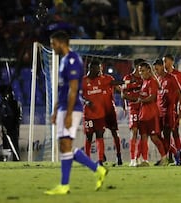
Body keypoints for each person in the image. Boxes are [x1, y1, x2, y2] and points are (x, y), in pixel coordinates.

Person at [45, 31, 107, 195]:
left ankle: (64, 185)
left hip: (72, 108)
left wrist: (69, 114)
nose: (52, 47)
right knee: (64, 145)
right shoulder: (64, 61)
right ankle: (98, 169)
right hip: (64, 107)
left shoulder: (72, 60)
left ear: (61, 42)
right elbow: (63, 89)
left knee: (65, 145)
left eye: (53, 44)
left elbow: (73, 89)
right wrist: (56, 109)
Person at [82, 60, 123, 166]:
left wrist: (127, 83)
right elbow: (79, 94)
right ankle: (89, 159)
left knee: (105, 134)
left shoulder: (105, 79)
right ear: (91, 69)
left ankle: (114, 157)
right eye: (98, 69)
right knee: (89, 137)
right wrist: (86, 101)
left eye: (100, 68)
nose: (100, 71)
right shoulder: (84, 81)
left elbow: (117, 84)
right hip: (89, 114)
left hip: (107, 112)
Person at [137, 62, 168, 166]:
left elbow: (152, 97)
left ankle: (164, 158)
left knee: (154, 138)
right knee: (143, 138)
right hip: (143, 114)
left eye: (143, 70)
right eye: (140, 71)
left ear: (149, 70)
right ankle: (145, 160)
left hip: (151, 114)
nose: (141, 73)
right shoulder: (144, 81)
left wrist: (140, 100)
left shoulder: (152, 81)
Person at [153, 58, 181, 166]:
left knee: (167, 135)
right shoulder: (157, 79)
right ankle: (172, 155)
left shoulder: (171, 78)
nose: (156, 70)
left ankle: (169, 158)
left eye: (157, 67)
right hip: (159, 112)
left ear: (162, 66)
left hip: (169, 112)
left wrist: (179, 106)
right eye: (155, 68)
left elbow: (180, 93)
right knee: (156, 135)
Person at [121, 58, 145, 167]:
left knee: (143, 133)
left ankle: (139, 156)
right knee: (134, 132)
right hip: (133, 108)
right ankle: (132, 159)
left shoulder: (145, 79)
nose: (142, 70)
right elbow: (123, 94)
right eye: (141, 67)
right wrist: (134, 99)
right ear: (136, 67)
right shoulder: (128, 78)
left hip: (144, 108)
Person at [163, 54, 181, 164]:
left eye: (165, 61)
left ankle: (178, 155)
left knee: (174, 131)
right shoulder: (162, 76)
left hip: (175, 108)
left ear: (171, 61)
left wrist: (180, 105)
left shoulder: (179, 75)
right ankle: (170, 156)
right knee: (167, 132)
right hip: (165, 109)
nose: (164, 63)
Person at [0, 85, 22, 161]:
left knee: (14, 146)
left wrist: (15, 126)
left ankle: (17, 160)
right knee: (6, 146)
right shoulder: (3, 104)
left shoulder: (16, 104)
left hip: (13, 129)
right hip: (5, 128)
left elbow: (18, 117)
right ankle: (5, 160)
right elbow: (1, 115)